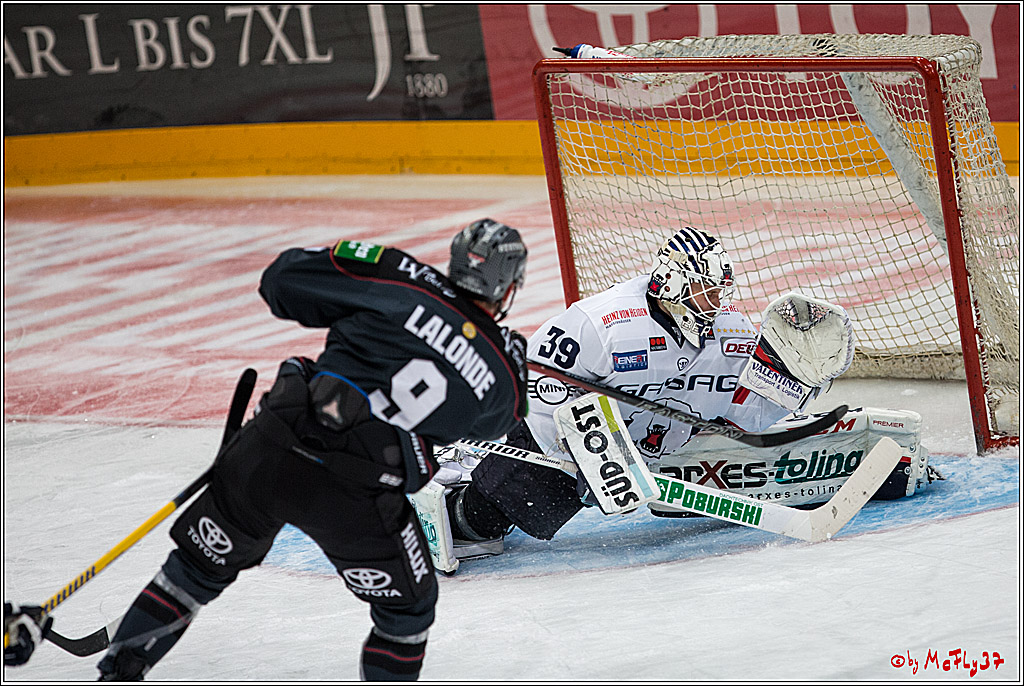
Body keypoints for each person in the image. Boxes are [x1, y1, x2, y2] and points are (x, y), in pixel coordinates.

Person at [3, 220, 530, 680]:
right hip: (359, 493)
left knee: (196, 569)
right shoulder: (500, 367)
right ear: (508, 288)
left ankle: (117, 674)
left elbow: (280, 282)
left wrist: (362, 278)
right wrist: (495, 356)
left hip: (275, 449)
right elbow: (499, 419)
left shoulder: (394, 275)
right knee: (407, 613)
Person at [439, 226, 865, 556]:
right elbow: (538, 380)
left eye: (721, 292)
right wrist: (585, 450)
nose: (717, 302)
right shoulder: (604, 323)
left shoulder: (730, 329)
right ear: (674, 284)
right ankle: (460, 503)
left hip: (668, 453)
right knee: (486, 524)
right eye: (707, 291)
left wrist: (795, 379)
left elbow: (744, 410)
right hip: (574, 448)